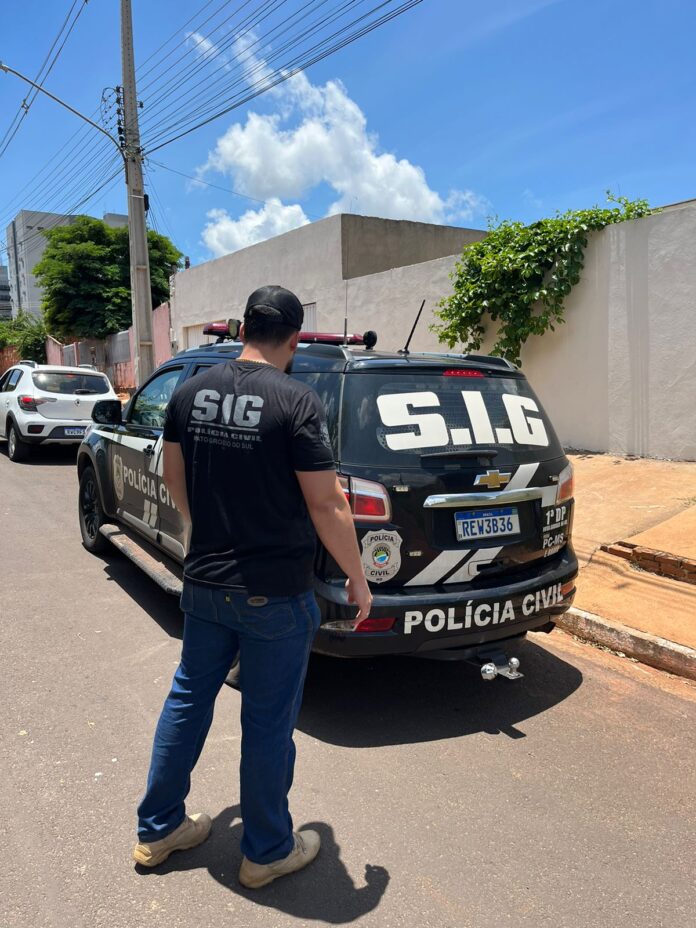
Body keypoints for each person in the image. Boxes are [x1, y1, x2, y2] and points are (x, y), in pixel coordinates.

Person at [132, 285, 372, 888]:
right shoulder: (297, 400)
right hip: (275, 593)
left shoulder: (190, 391)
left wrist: (201, 531)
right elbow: (327, 503)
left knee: (187, 702)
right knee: (267, 724)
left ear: (242, 328)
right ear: (293, 338)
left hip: (206, 582)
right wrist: (358, 577)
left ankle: (159, 829)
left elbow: (172, 474)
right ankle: (265, 851)